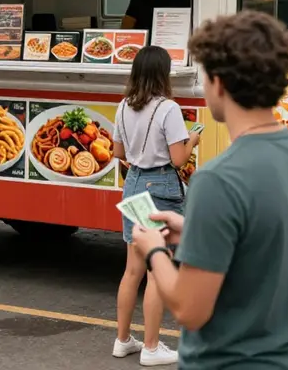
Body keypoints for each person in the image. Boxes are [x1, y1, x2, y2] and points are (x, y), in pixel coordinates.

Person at [131, 10, 288, 370]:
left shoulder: (216, 180)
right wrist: (194, 232)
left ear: (220, 83)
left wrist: (154, 251)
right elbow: (265, 244)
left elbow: (190, 309)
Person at [113, 45, 200, 366]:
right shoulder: (168, 109)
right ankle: (151, 347)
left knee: (131, 270)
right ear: (162, 74)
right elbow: (178, 159)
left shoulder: (123, 105)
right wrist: (192, 141)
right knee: (155, 270)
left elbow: (118, 152)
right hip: (160, 187)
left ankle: (123, 340)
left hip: (133, 183)